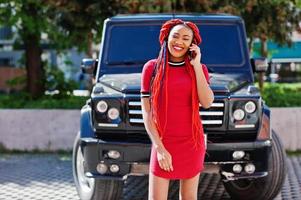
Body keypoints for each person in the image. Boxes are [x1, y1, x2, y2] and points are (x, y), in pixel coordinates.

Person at [140, 19, 214, 200]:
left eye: (186, 38)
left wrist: (196, 65)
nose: (179, 42)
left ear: (192, 44)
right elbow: (148, 113)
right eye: (175, 36)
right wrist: (159, 148)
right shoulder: (152, 68)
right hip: (163, 142)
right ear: (166, 38)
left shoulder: (199, 69)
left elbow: (207, 102)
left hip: (192, 143)